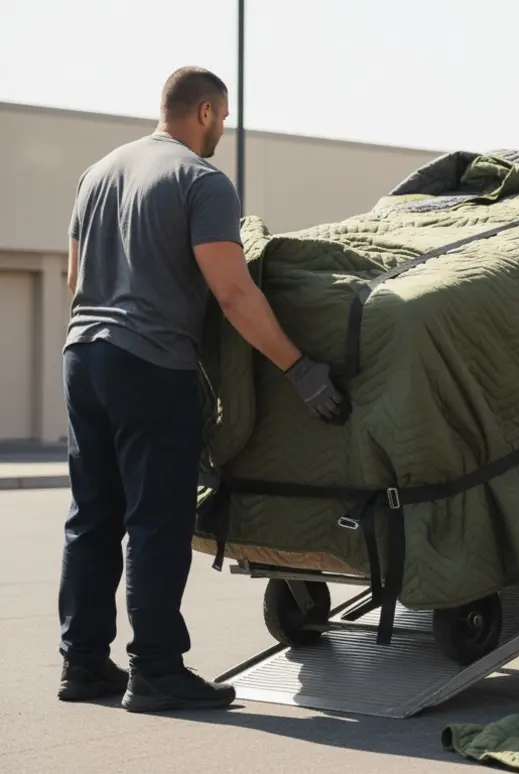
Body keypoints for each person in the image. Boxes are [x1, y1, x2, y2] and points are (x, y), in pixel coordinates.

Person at [58, 66, 349, 713]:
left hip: (82, 357)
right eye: (224, 118)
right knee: (156, 520)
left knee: (91, 518)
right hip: (149, 365)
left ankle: (83, 665)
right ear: (208, 113)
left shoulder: (98, 173)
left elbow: (74, 277)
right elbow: (234, 291)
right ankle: (156, 670)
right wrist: (299, 367)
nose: (223, 130)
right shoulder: (200, 180)